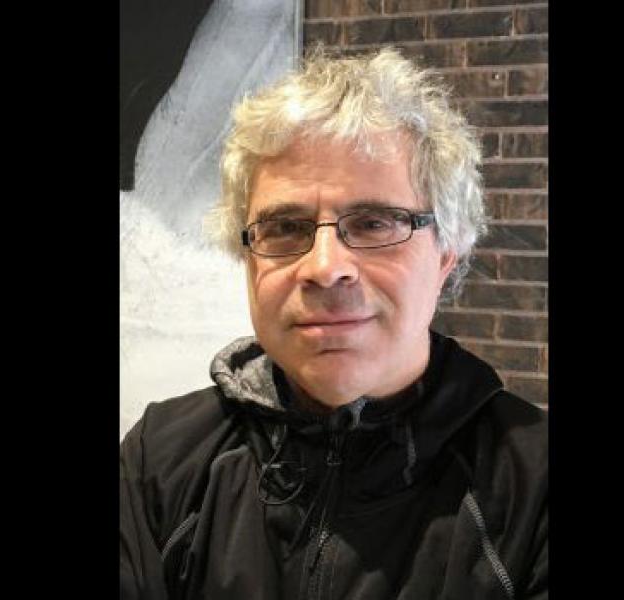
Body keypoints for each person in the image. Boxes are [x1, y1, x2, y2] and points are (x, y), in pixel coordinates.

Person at [120, 47, 548, 599]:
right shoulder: (158, 459)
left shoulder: (533, 488)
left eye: (374, 223)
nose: (324, 268)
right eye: (285, 227)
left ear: (446, 254)